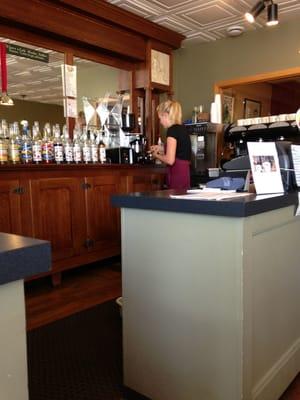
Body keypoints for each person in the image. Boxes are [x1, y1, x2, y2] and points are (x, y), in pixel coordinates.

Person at [150, 100, 191, 190]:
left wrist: (156, 155)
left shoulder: (172, 131)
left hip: (177, 174)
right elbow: (180, 149)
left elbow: (170, 160)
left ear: (165, 115)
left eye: (160, 118)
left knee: (174, 201)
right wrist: (161, 148)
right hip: (185, 173)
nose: (160, 122)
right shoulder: (182, 129)